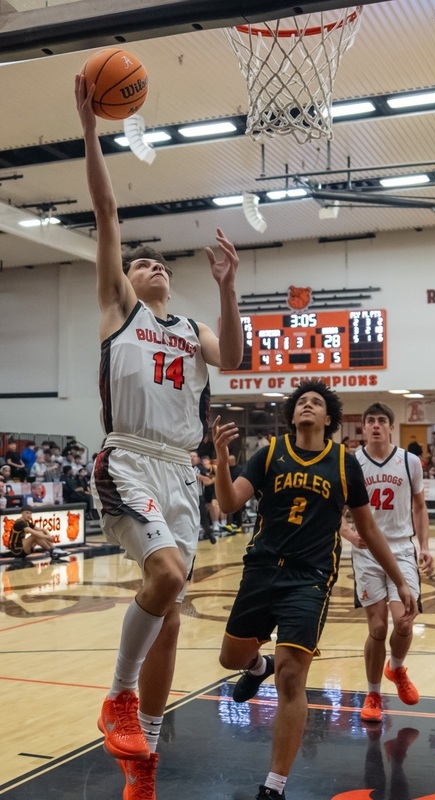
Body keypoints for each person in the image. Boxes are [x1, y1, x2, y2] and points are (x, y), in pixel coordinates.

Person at [75, 71, 242, 800]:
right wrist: (90, 129)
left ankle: (142, 757)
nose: (151, 267)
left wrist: (231, 287)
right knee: (168, 579)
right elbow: (107, 212)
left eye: (158, 263)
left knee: (169, 619)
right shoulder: (121, 312)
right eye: (142, 262)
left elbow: (233, 359)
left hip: (183, 469)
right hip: (130, 457)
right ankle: (116, 697)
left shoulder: (191, 328)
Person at [212, 380, 417, 800]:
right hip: (262, 569)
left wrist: (400, 579)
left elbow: (368, 528)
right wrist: (220, 461)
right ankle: (255, 667)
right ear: (292, 416)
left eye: (316, 402)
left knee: (292, 675)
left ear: (329, 419)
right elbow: (230, 503)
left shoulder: (344, 464)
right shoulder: (270, 452)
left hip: (310, 578)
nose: (307, 405)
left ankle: (275, 786)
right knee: (230, 656)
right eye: (301, 402)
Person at [345, 402, 433, 724]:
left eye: (382, 420)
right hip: (367, 551)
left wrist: (424, 545)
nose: (377, 425)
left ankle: (396, 669)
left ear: (391, 427)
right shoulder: (351, 462)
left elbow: (420, 507)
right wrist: (348, 534)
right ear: (364, 428)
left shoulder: (410, 462)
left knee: (405, 621)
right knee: (378, 627)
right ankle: (373, 693)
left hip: (401, 548)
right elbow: (333, 510)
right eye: (371, 421)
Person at [190, 451, 217, 545]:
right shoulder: (184, 468)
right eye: (191, 456)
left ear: (197, 458)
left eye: (194, 456)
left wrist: (198, 476)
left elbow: (208, 481)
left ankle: (209, 534)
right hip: (187, 497)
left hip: (198, 496)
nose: (192, 458)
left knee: (203, 518)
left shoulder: (200, 468)